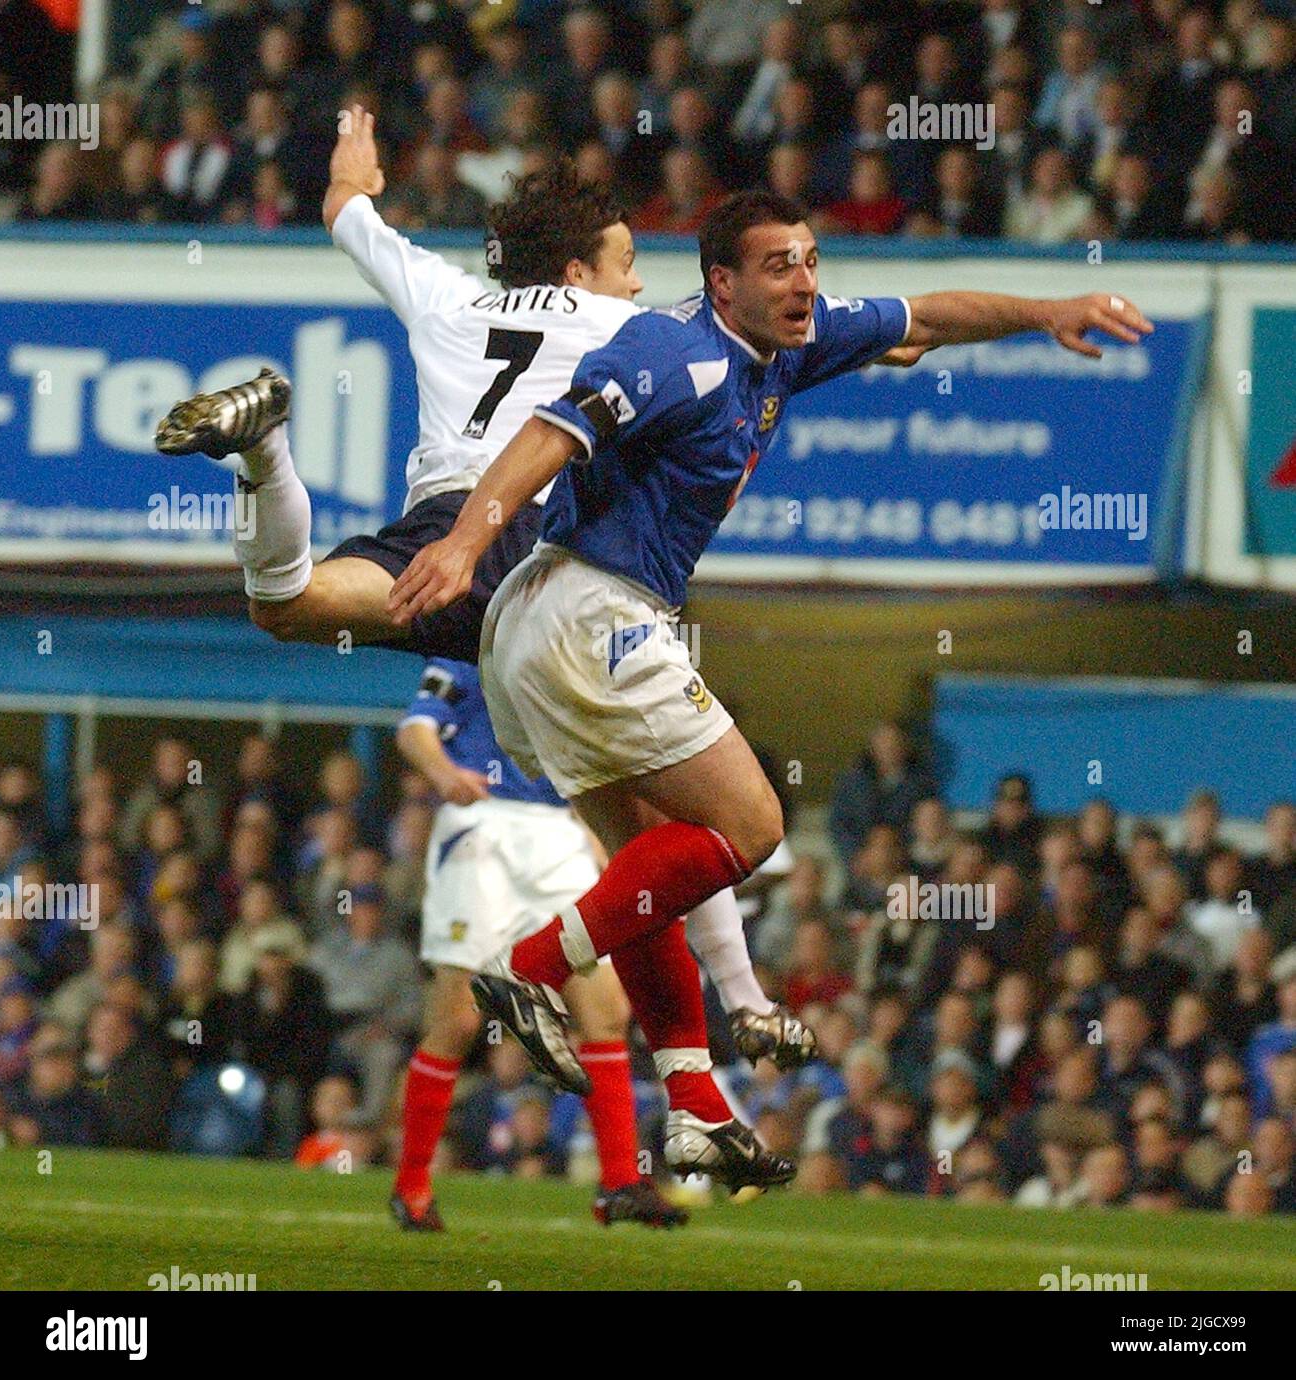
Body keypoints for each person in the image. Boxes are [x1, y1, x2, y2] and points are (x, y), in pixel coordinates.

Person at [386, 187, 1152, 1184]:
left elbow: (927, 315)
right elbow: (548, 436)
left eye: (810, 259)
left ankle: (695, 1103)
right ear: (722, 283)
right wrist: (459, 540)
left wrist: (1047, 312)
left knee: (646, 883)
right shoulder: (672, 352)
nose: (804, 281)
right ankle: (528, 968)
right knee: (751, 826)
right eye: (778, 265)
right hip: (588, 611)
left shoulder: (788, 339)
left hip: (546, 629)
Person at [154, 109, 813, 1089]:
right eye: (627, 260)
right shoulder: (642, 331)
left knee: (286, 603)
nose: (639, 280)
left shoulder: (452, 299)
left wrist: (355, 171)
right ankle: (738, 1010)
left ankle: (262, 452)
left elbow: (345, 213)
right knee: (669, 815)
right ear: (583, 271)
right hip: (548, 556)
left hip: (434, 539)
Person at [389, 655, 688, 1230]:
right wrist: (442, 773)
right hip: (483, 825)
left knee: (606, 1009)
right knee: (458, 1019)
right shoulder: (467, 647)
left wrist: (591, 828)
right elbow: (416, 727)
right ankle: (412, 1186)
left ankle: (619, 1182)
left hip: (558, 833)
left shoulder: (566, 651)